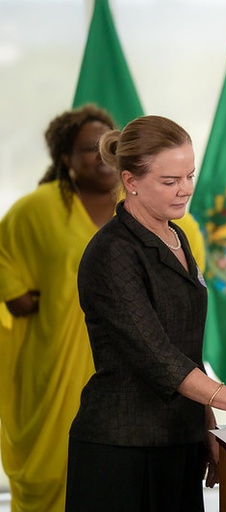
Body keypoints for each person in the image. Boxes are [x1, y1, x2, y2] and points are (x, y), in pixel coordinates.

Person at [65, 115, 226, 512]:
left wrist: (207, 426)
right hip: (122, 446)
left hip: (179, 439)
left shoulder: (177, 235)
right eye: (170, 181)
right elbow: (157, 355)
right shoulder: (112, 252)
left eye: (189, 175)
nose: (186, 190)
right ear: (131, 181)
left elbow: (187, 348)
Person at [0, 105, 117, 512]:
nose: (102, 155)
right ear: (64, 158)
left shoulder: (145, 204)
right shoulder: (36, 210)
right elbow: (5, 257)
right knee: (52, 471)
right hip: (55, 370)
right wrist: (17, 293)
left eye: (109, 146)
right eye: (88, 149)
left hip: (127, 370)